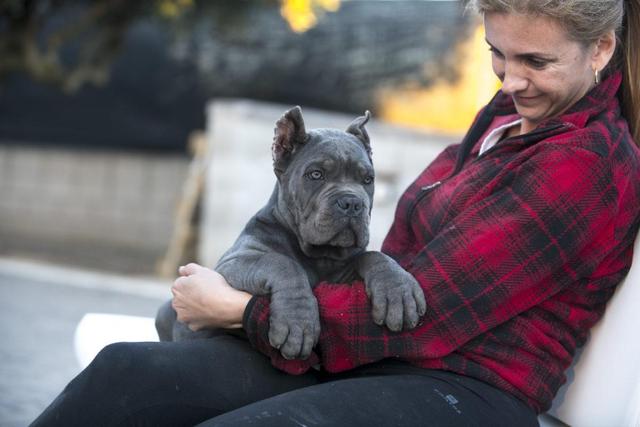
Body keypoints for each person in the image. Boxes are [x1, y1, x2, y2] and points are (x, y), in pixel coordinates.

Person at [31, 0, 640, 425]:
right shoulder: (509, 119)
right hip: (379, 358)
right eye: (498, 55)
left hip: (465, 389)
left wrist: (244, 312)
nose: (511, 80)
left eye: (536, 62)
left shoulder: (585, 165)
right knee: (127, 374)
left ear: (601, 49)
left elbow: (425, 320)